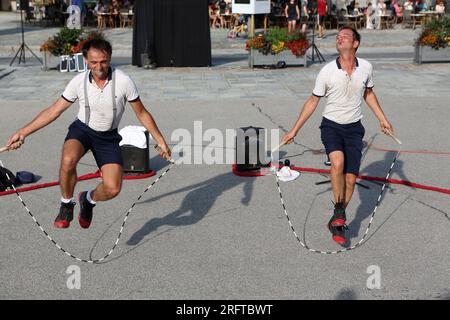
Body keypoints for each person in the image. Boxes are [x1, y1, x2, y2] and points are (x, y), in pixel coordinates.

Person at [6, 39, 171, 229]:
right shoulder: (78, 82)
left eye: (103, 61)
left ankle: (88, 199)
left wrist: (161, 141)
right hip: (83, 130)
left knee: (113, 189)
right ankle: (66, 204)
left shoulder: (124, 81)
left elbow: (142, 113)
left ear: (109, 58)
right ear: (85, 60)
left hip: (108, 137)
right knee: (68, 160)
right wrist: (23, 132)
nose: (99, 67)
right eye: (93, 62)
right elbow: (54, 111)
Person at [281, 27, 395, 246]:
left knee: (350, 181)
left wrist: (383, 119)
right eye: (338, 36)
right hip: (331, 126)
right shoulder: (327, 71)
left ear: (356, 43)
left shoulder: (366, 68)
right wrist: (294, 130)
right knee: (338, 162)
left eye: (345, 36)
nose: (339, 38)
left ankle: (336, 218)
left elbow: (368, 93)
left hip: (354, 128)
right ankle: (340, 213)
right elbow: (313, 101)